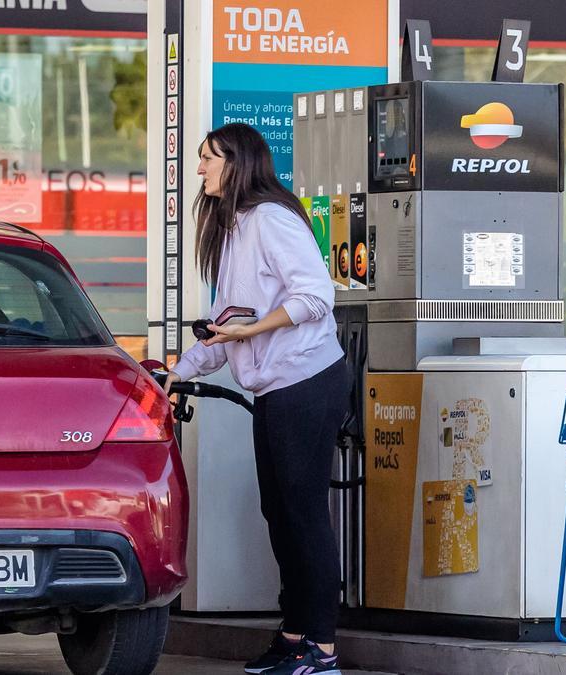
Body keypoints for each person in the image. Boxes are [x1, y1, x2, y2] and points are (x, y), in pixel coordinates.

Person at [165, 123, 351, 675]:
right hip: (275, 388)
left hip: (307, 381)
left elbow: (317, 296)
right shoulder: (236, 227)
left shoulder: (271, 219)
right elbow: (230, 320)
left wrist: (252, 333)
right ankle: (294, 635)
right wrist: (181, 370)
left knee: (302, 513)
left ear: (237, 162)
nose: (200, 169)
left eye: (208, 159)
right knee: (279, 513)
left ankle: (321, 648)